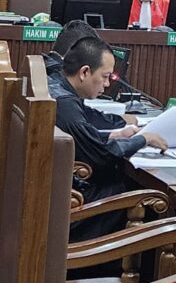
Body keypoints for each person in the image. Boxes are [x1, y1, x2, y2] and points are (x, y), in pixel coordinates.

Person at [51, 37, 167, 239]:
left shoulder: (55, 86)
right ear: (85, 72)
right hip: (67, 210)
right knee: (140, 192)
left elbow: (85, 136)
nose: (106, 85)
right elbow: (101, 156)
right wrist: (144, 139)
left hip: (58, 194)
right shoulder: (66, 105)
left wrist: (116, 134)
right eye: (105, 77)